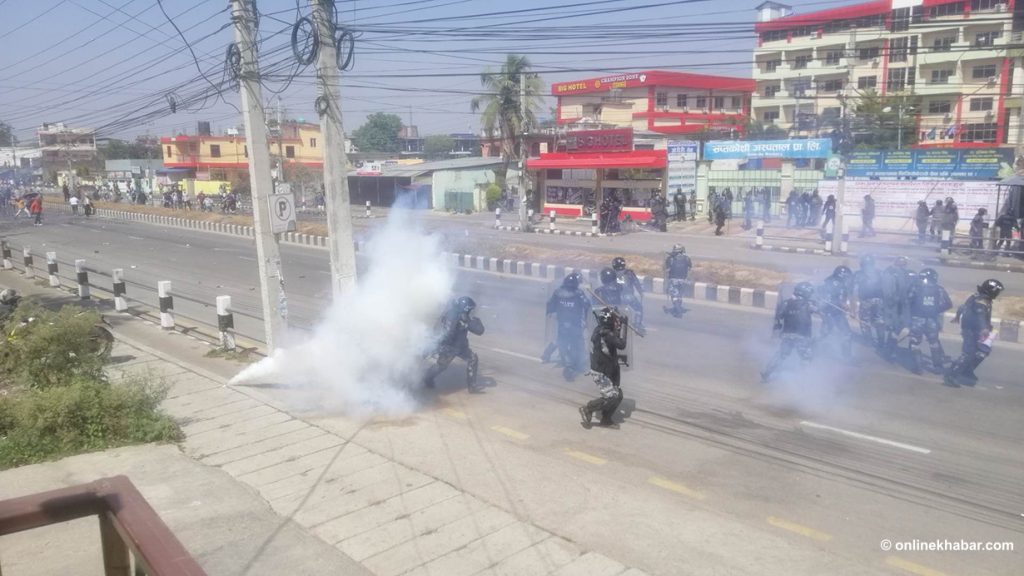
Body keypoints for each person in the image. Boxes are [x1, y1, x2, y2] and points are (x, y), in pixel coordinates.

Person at [945, 279, 1004, 388]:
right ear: (991, 290)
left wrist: (958, 316)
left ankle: (966, 371)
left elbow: (962, 307)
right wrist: (984, 329)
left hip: (978, 330)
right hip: (971, 330)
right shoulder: (981, 300)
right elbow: (980, 315)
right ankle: (951, 375)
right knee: (968, 354)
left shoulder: (980, 297)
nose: (997, 294)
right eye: (997, 291)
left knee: (982, 351)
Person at [424, 296, 485, 392]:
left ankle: (472, 387)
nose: (472, 312)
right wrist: (441, 347)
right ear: (465, 309)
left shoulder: (465, 318)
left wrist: (475, 320)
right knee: (441, 366)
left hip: (461, 346)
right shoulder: (451, 316)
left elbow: (480, 331)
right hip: (449, 347)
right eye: (470, 310)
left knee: (473, 359)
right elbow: (445, 334)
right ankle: (427, 378)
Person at [761, 282, 819, 383]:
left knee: (781, 354)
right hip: (802, 336)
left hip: (787, 334)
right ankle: (804, 379)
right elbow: (819, 310)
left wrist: (777, 330)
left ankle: (767, 371)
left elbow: (779, 317)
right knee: (806, 357)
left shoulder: (786, 303)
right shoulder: (809, 304)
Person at [579, 306, 627, 428]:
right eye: (615, 321)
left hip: (609, 369)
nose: (616, 323)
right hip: (601, 372)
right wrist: (624, 326)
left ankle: (606, 419)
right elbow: (621, 344)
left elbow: (614, 338)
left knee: (618, 395)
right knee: (612, 397)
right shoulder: (606, 334)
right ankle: (588, 408)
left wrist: (620, 325)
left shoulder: (599, 330)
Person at [541, 272, 590, 380]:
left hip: (562, 323)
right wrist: (587, 319)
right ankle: (576, 364)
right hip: (574, 324)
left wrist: (550, 314)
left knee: (560, 339)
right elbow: (587, 305)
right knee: (578, 342)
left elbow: (550, 305)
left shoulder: (557, 292)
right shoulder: (578, 293)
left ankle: (547, 354)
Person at [905, 268, 952, 375]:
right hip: (932, 320)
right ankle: (938, 367)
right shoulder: (939, 289)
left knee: (914, 343)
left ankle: (918, 367)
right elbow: (948, 304)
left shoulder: (915, 288)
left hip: (917, 319)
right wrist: (935, 310)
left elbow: (908, 301)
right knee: (934, 343)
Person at [881, 256, 913, 359]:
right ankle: (889, 351)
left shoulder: (906, 274)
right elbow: (887, 293)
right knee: (894, 329)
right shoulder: (890, 274)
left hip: (904, 307)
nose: (903, 266)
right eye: (901, 264)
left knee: (899, 330)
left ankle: (892, 350)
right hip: (894, 307)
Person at [819, 265, 854, 359]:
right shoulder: (837, 284)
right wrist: (844, 306)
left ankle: (816, 352)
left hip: (832, 313)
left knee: (826, 334)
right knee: (844, 334)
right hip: (833, 313)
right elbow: (835, 300)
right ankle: (846, 357)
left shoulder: (830, 280)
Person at [852, 255, 886, 348]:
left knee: (864, 321)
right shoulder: (880, 273)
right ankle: (881, 342)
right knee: (879, 321)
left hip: (866, 301)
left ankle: (868, 341)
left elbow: (854, 289)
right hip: (879, 300)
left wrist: (853, 307)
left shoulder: (858, 274)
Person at [611, 257, 646, 335]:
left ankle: (615, 324)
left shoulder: (612, 274)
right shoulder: (629, 273)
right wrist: (641, 292)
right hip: (629, 297)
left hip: (617, 298)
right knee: (638, 309)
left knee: (614, 311)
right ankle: (638, 325)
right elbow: (636, 283)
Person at [663, 244, 692, 318]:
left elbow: (667, 270)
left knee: (674, 295)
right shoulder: (687, 258)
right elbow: (689, 269)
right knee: (680, 295)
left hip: (673, 279)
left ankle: (677, 309)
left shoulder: (670, 259)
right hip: (683, 280)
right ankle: (678, 307)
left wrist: (666, 280)